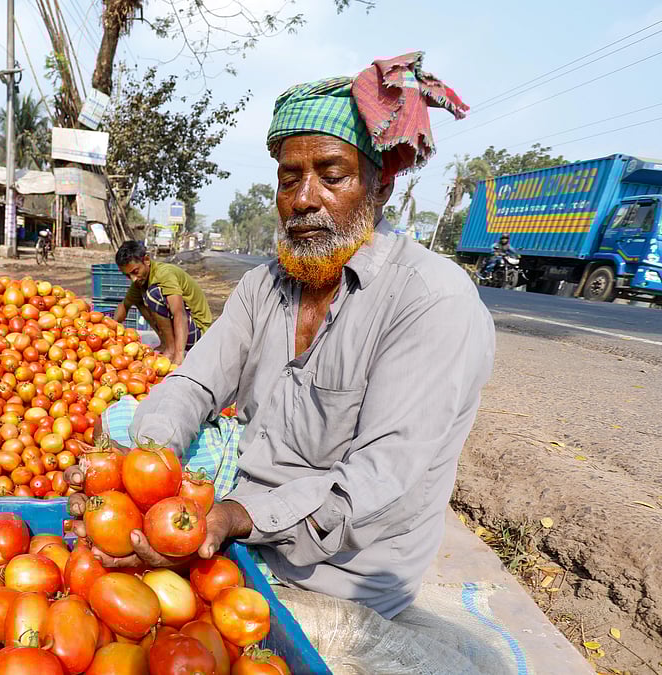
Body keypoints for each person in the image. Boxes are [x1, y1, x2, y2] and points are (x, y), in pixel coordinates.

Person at [69, 52, 495, 621]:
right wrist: (142, 471)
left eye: (333, 175)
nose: (303, 199)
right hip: (232, 527)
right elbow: (194, 382)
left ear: (378, 189)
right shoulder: (262, 287)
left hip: (335, 575)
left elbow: (378, 481)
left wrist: (232, 518)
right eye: (289, 179)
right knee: (126, 423)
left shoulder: (430, 301)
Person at [113, 240, 212, 366]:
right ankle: (166, 343)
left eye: (135, 272)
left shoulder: (164, 274)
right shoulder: (140, 281)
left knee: (153, 294)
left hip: (199, 333)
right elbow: (124, 305)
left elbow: (179, 313)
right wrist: (110, 329)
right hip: (184, 330)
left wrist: (179, 355)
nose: (133, 279)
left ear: (147, 260)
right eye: (127, 275)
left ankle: (171, 349)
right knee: (138, 299)